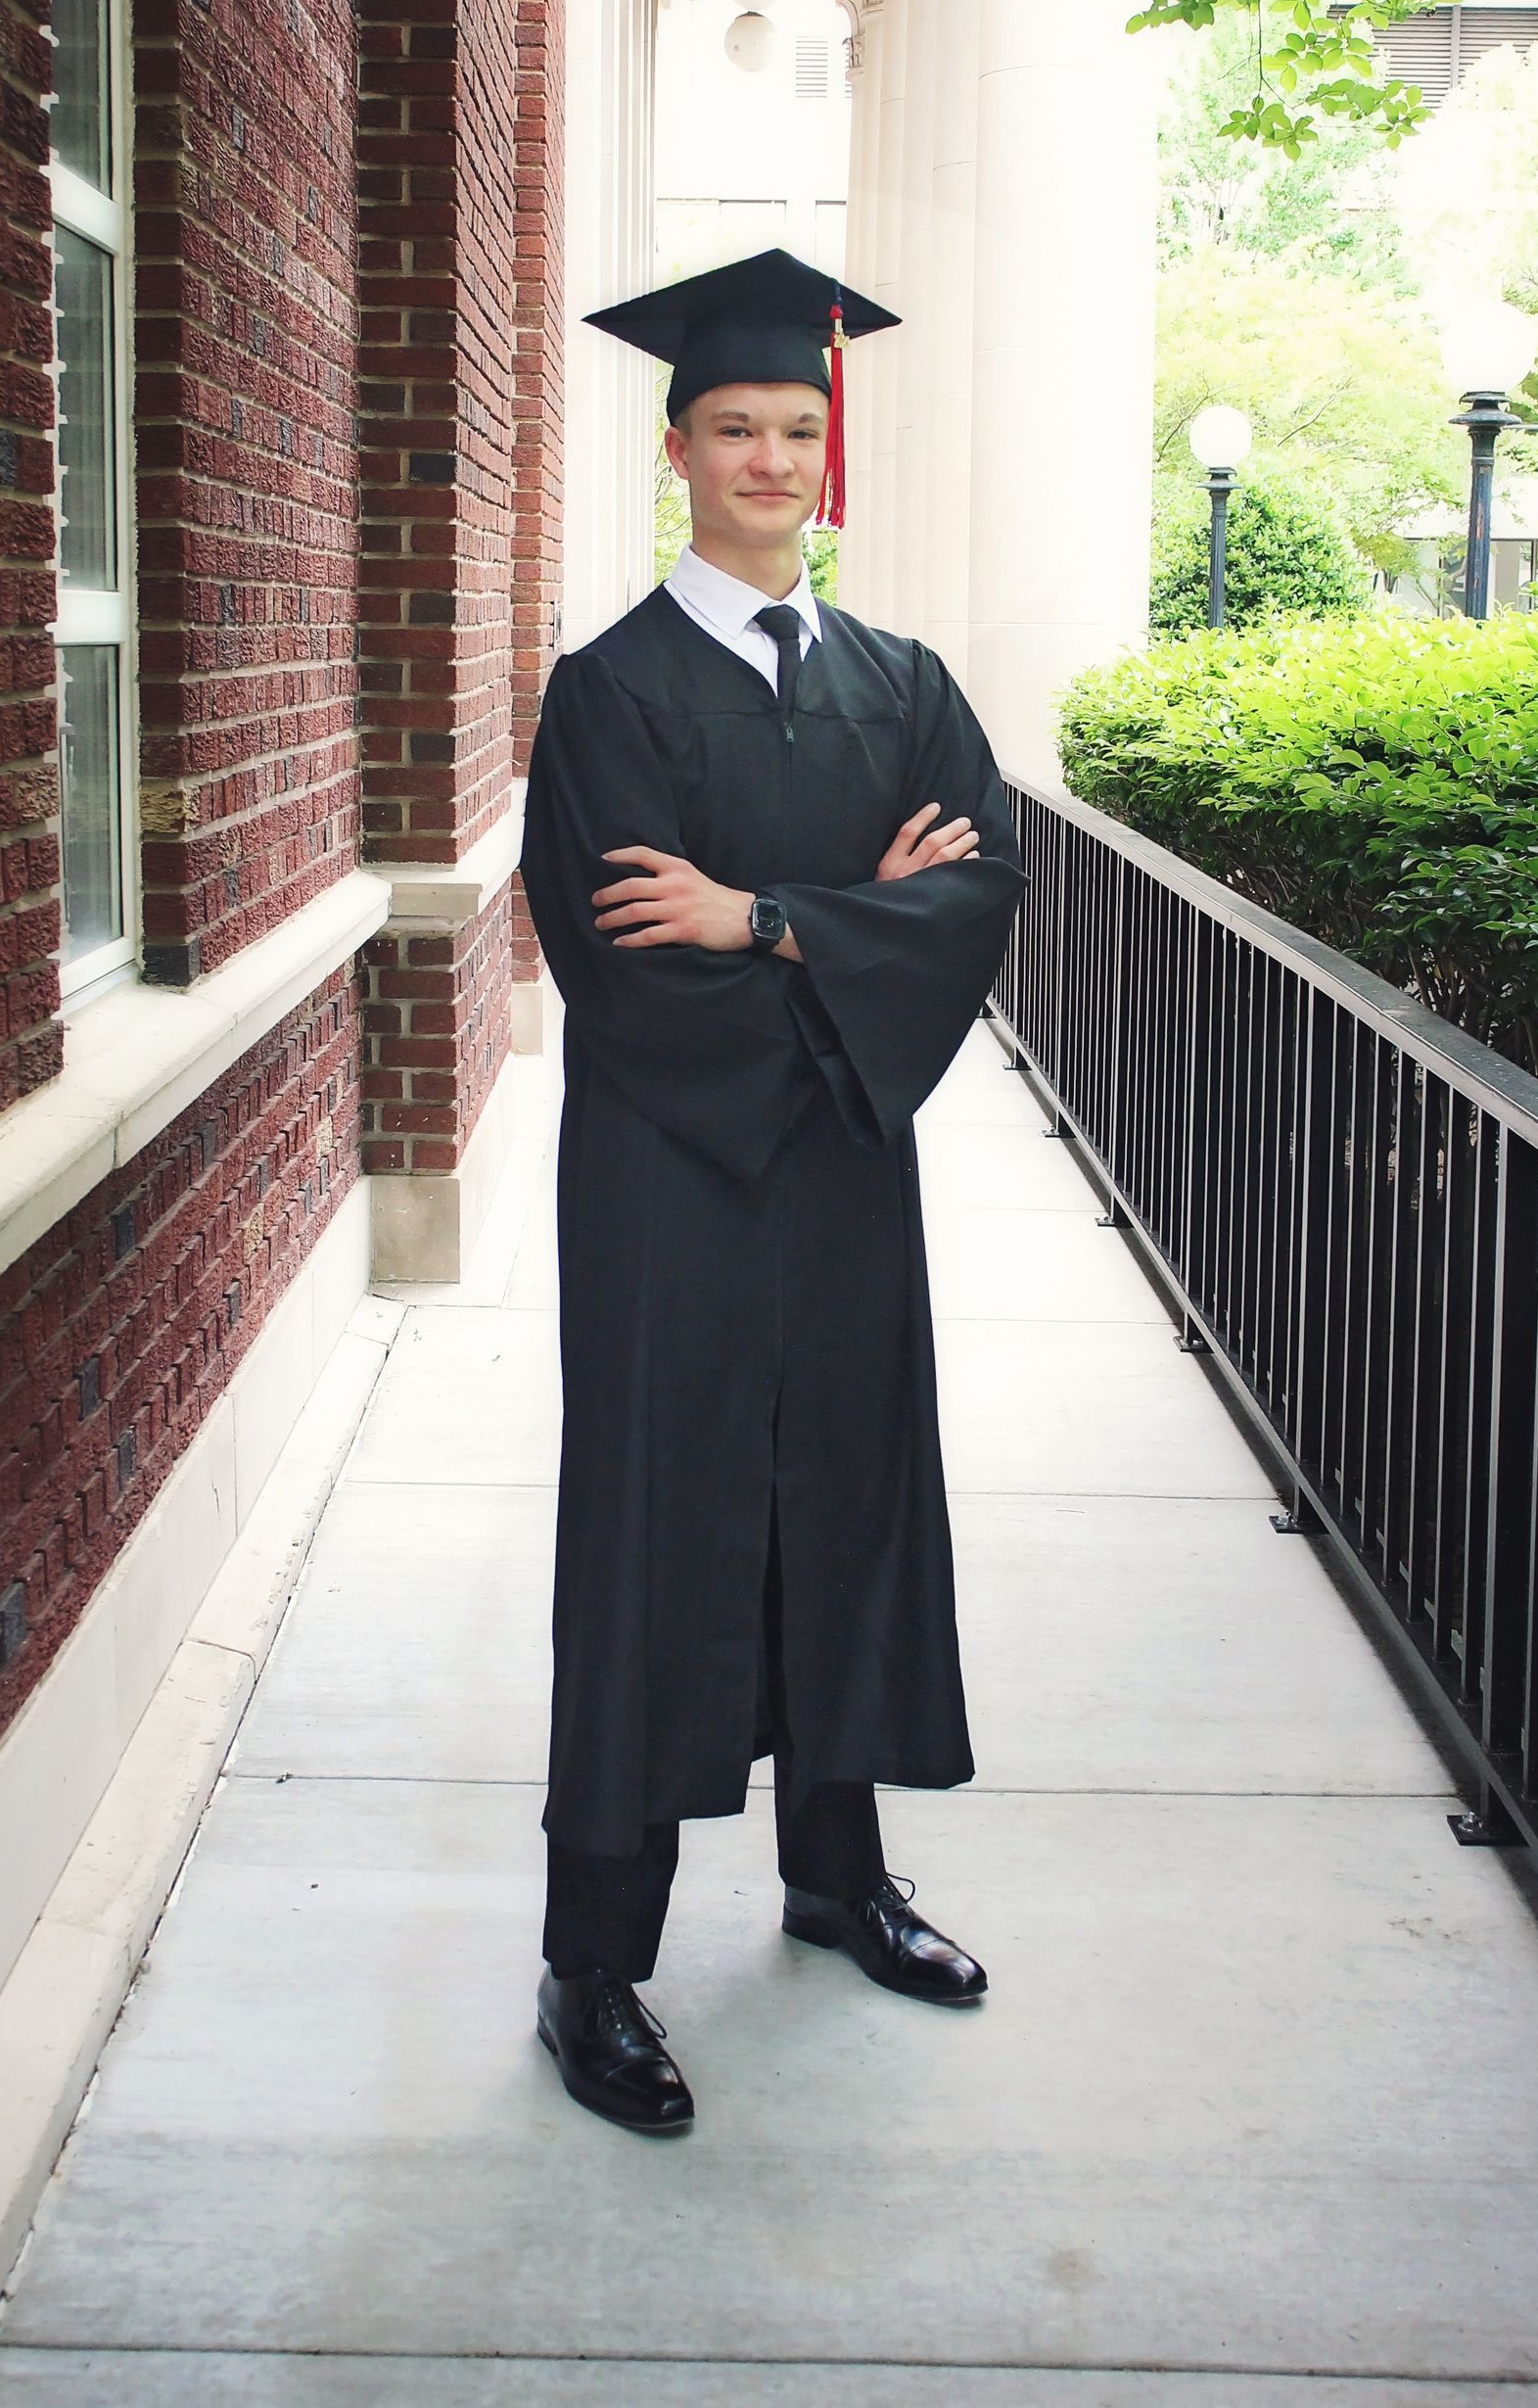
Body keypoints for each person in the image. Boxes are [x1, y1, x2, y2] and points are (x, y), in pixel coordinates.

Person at [521, 248, 1026, 2134]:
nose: (766, 456)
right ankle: (594, 1961)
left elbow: (968, 898)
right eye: (732, 426)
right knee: (660, 1536)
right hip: (672, 1186)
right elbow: (624, 961)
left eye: (794, 429)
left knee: (847, 1502)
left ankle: (835, 1876)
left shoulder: (903, 686)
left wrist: (770, 919)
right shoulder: (610, 696)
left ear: (829, 456)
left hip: (845, 1189)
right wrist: (845, 935)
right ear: (677, 447)